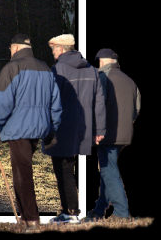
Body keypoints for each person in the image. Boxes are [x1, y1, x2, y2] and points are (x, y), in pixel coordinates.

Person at [0, 34, 62, 228]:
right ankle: (25, 216)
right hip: (39, 128)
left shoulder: (12, 68)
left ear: (17, 48)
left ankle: (32, 219)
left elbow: (2, 101)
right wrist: (54, 125)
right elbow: (56, 101)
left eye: (11, 48)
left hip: (18, 127)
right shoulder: (45, 67)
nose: (10, 52)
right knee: (21, 170)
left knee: (23, 173)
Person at [43, 34, 106, 224]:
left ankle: (70, 211)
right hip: (84, 128)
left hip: (62, 128)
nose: (53, 52)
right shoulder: (91, 70)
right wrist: (100, 129)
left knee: (63, 169)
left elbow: (50, 101)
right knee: (73, 168)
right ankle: (71, 209)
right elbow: (99, 102)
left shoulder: (58, 69)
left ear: (61, 49)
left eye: (54, 49)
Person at [83, 49, 141, 222]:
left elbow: (97, 106)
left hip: (107, 133)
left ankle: (122, 213)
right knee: (108, 171)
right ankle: (99, 209)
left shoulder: (103, 78)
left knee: (109, 171)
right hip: (125, 133)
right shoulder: (130, 81)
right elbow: (137, 108)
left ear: (102, 61)